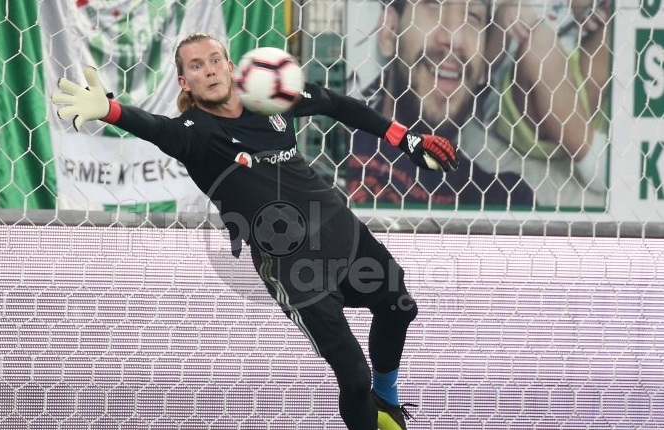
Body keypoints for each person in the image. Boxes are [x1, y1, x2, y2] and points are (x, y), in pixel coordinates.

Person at [51, 32, 458, 430]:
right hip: (294, 267)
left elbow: (334, 103)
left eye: (214, 60)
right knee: (353, 376)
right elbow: (153, 126)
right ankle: (371, 407)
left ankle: (387, 399)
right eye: (196, 66)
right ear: (183, 82)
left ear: (231, 66)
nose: (208, 70)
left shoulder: (269, 97)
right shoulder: (193, 133)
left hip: (341, 231)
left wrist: (404, 138)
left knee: (399, 305)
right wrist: (109, 111)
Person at [346, 0, 534, 208]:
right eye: (434, 4)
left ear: (484, 64)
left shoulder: (503, 200)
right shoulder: (326, 156)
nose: (455, 38)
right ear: (389, 32)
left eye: (472, 15)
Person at [482, 0, 612, 204]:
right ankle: (588, 154)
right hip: (522, 105)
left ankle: (584, 135)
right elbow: (487, 63)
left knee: (618, 20)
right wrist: (503, 17)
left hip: (580, 95)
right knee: (539, 39)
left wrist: (590, 15)